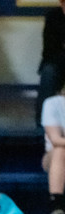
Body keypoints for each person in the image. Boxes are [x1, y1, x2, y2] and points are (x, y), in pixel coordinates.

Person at [41, 85, 65, 214]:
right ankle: (57, 206)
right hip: (54, 156)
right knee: (60, 149)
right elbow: (55, 139)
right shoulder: (52, 103)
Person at [38, 0, 65, 128]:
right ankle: (42, 126)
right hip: (56, 64)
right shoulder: (53, 17)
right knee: (48, 73)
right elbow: (49, 50)